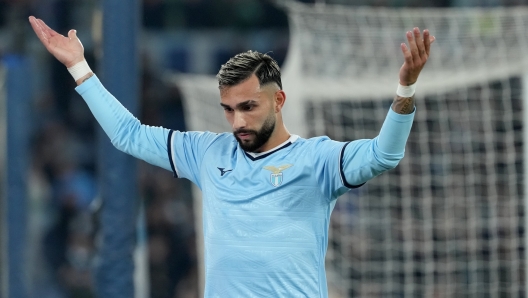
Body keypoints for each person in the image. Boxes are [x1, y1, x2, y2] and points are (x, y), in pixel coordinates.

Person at [29, 16, 435, 297]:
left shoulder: (319, 160)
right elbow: (129, 135)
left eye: (248, 107)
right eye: (228, 109)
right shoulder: (207, 152)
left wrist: (405, 91)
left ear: (278, 100)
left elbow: (384, 154)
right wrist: (79, 66)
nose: (237, 120)